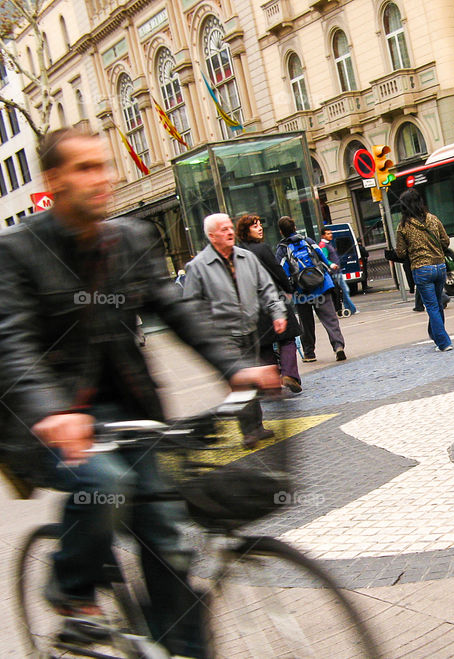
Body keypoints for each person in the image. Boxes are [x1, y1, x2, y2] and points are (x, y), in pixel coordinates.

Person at [0, 128, 279, 657]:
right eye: (84, 168)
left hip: (131, 415)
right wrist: (52, 413)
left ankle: (179, 647)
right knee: (105, 482)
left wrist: (234, 367)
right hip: (50, 419)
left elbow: (174, 309)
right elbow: (11, 343)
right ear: (53, 180)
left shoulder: (128, 239)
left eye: (102, 166)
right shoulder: (17, 251)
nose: (101, 178)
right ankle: (71, 589)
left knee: (168, 538)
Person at [182, 213, 288, 447]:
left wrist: (278, 312)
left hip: (250, 331)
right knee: (240, 381)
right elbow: (190, 307)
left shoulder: (247, 258)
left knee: (252, 377)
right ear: (211, 236)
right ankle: (248, 431)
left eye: (230, 227)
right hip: (222, 336)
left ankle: (257, 426)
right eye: (223, 229)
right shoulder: (198, 267)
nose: (229, 232)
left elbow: (267, 288)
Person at [236, 214, 303, 392]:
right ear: (246, 230)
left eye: (260, 225)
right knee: (287, 339)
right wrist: (288, 290)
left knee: (265, 345)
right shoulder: (262, 249)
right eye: (254, 226)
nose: (259, 228)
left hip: (252, 305)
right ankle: (289, 375)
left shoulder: (236, 252)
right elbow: (277, 270)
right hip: (273, 299)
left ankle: (272, 383)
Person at [276, 216, 347, 363]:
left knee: (306, 324)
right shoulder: (308, 241)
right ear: (295, 227)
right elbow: (322, 259)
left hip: (301, 291)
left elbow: (282, 272)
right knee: (330, 319)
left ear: (281, 231)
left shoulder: (282, 249)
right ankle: (338, 346)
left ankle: (309, 353)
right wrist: (329, 272)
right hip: (322, 285)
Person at [395, 189, 454, 351]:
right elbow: (446, 241)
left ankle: (443, 342)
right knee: (437, 305)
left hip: (421, 269)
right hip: (440, 266)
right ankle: (436, 334)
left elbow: (400, 252)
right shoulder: (433, 219)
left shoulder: (403, 226)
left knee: (432, 307)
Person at [321, 226, 358, 316]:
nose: (331, 235)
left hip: (337, 271)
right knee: (344, 290)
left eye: (331, 233)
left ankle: (349, 308)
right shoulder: (323, 245)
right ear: (323, 236)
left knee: (344, 290)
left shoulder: (328, 244)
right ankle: (351, 309)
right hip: (334, 273)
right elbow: (324, 258)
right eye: (328, 234)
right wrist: (331, 264)